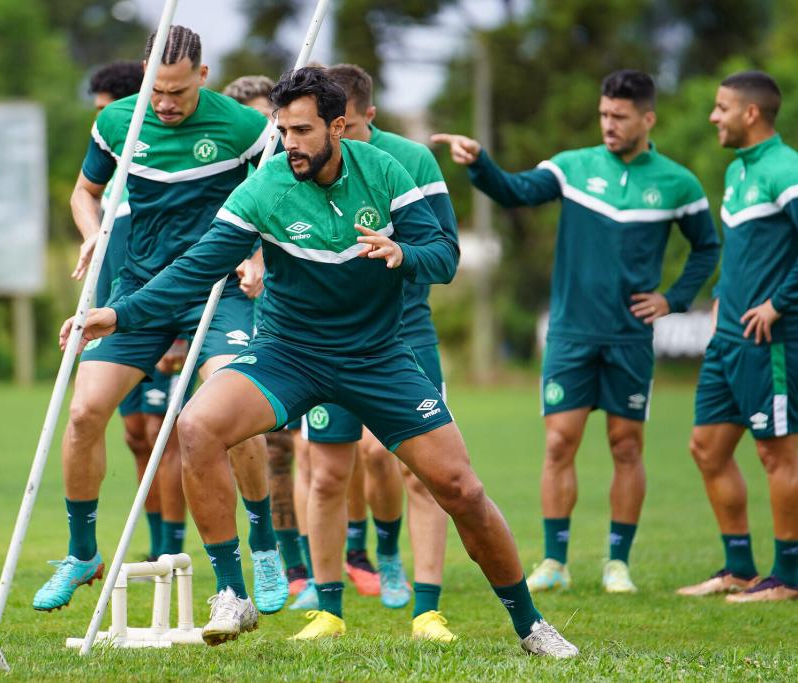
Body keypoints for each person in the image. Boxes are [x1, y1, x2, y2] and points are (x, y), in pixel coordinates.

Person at [71, 66, 578, 657]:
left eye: (303, 131)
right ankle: (233, 595)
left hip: (377, 356)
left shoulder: (386, 173)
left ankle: (530, 623)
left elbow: (444, 256)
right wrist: (119, 314)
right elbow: (196, 267)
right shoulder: (264, 187)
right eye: (283, 131)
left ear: (340, 126)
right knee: (197, 426)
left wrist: (402, 251)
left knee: (461, 488)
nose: (290, 145)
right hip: (288, 352)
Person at [32, 26, 289, 615]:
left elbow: (276, 202)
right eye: (156, 92)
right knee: (83, 412)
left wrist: (256, 258)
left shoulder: (248, 129)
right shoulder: (116, 122)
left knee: (234, 417)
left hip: (217, 291)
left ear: (202, 75)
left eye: (177, 91)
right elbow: (83, 191)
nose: (166, 104)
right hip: (140, 292)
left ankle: (266, 546)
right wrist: (95, 234)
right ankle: (81, 554)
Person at [434, 69, 720, 594]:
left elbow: (708, 246)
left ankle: (617, 563)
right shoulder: (573, 167)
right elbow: (516, 191)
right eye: (604, 115)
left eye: (620, 116)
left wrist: (675, 299)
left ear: (647, 119)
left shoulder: (678, 182)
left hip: (630, 336)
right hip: (571, 333)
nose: (609, 124)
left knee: (626, 445)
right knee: (559, 444)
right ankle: (555, 562)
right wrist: (480, 164)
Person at [292, 63, 460, 643]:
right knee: (327, 472)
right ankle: (328, 609)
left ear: (362, 117)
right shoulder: (298, 162)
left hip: (402, 333)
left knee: (417, 471)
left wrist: (401, 250)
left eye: (351, 131)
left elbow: (445, 252)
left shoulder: (409, 161)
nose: (342, 146)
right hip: (323, 340)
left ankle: (426, 607)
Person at [677, 71, 798, 602]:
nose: (713, 116)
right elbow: (744, 251)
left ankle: (790, 576)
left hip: (767, 339)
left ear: (750, 114)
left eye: (721, 107)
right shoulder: (737, 172)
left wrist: (778, 302)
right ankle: (740, 568)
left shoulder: (785, 168)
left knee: (778, 455)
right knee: (707, 447)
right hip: (727, 338)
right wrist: (724, 294)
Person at [86, 60, 189, 563]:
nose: (100, 122)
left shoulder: (155, 180)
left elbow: (168, 258)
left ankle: (171, 550)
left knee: (161, 432)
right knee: (134, 435)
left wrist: (175, 335)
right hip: (116, 316)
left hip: (158, 320)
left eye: (106, 111)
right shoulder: (108, 184)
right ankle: (153, 546)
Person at [223, 74, 311, 595]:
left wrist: (260, 259)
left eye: (272, 121)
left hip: (306, 331)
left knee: (321, 453)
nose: (270, 133)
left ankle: (357, 553)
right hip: (254, 333)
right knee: (271, 450)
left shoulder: (297, 172)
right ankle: (290, 563)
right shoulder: (235, 178)